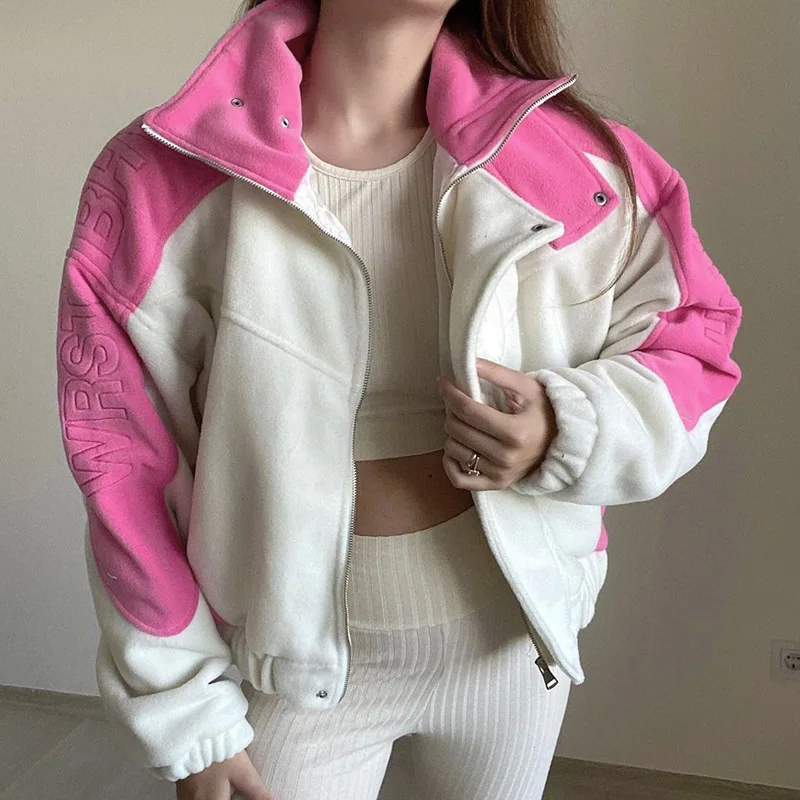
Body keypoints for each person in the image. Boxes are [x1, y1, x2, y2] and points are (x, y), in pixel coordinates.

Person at [54, 0, 743, 797]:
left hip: (511, 656)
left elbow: (694, 345)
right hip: (295, 677)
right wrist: (186, 710)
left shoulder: (581, 163)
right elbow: (122, 467)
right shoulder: (164, 172)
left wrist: (568, 425)